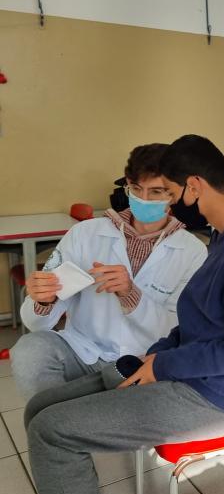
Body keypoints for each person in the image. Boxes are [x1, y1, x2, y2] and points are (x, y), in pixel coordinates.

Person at [24, 135, 224, 494]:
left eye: (172, 193)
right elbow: (200, 325)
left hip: (214, 398)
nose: (172, 206)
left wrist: (165, 366)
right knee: (40, 408)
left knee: (53, 431)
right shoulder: (223, 240)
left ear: (194, 186)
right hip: (185, 374)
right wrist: (156, 357)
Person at [11, 143, 207, 400]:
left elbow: (178, 330)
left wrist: (131, 295)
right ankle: (61, 424)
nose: (144, 199)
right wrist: (44, 301)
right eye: (137, 189)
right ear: (127, 185)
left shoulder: (193, 252)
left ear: (175, 194)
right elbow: (37, 324)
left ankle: (69, 426)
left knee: (119, 419)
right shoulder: (85, 233)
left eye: (156, 191)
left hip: (142, 361)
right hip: (83, 350)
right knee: (28, 351)